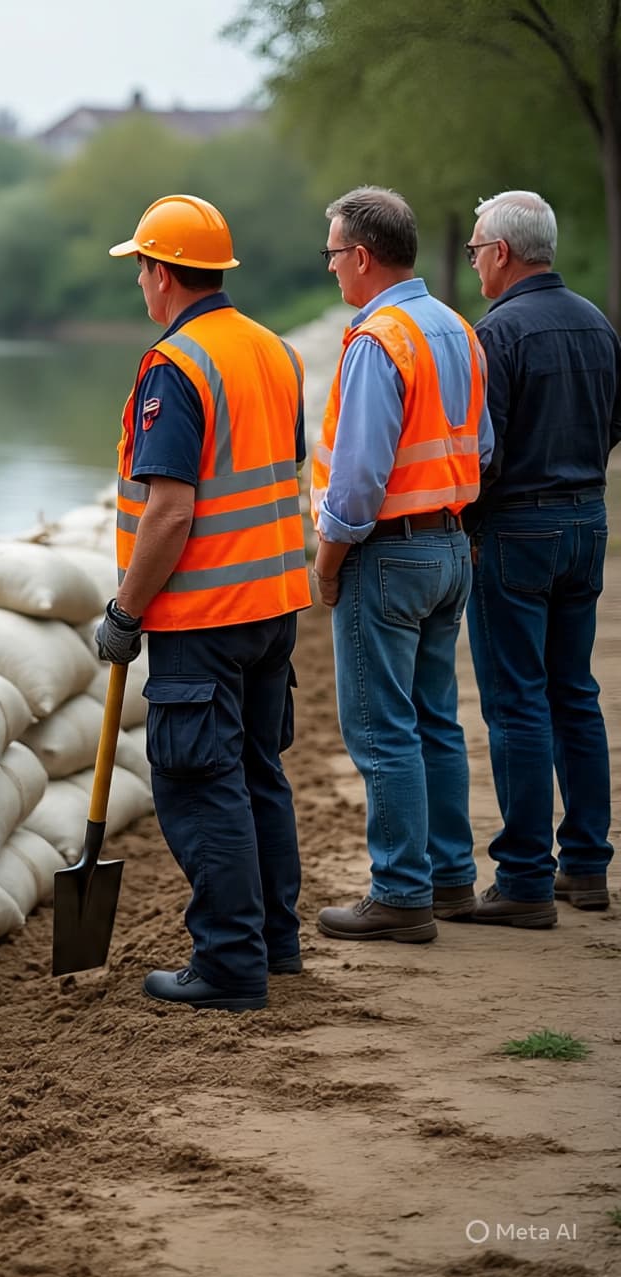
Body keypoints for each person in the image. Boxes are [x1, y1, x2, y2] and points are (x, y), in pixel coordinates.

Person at [96, 194, 311, 1012]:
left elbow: (173, 508)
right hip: (272, 604)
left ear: (161, 273)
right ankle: (274, 943)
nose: (141, 287)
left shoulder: (176, 365)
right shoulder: (274, 351)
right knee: (258, 769)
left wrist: (124, 611)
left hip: (202, 614)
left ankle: (228, 964)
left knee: (198, 780)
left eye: (141, 270)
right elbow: (274, 463)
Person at [311, 186, 493, 944]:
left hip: (386, 556)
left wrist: (327, 564)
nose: (329, 270)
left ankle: (399, 894)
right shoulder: (457, 327)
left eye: (331, 254)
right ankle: (450, 880)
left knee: (382, 730)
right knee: (434, 722)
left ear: (361, 256)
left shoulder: (378, 341)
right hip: (450, 544)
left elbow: (355, 482)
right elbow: (482, 446)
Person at [461, 190, 619, 924]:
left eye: (473, 249)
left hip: (518, 528)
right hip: (588, 520)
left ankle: (524, 877)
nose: (472, 261)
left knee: (517, 700)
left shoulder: (498, 334)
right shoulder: (597, 323)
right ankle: (587, 865)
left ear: (500, 252)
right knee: (574, 693)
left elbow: (481, 452)